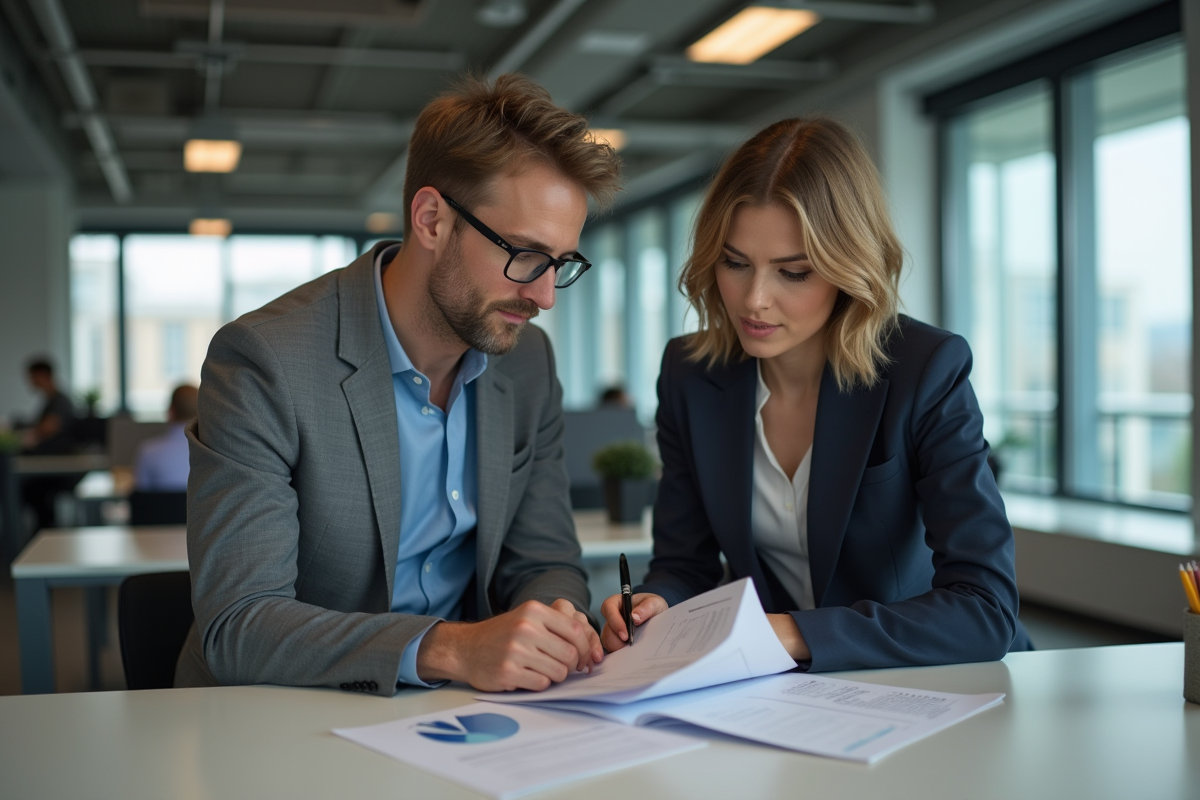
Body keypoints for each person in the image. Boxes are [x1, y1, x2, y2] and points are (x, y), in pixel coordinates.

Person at [176, 74, 623, 694]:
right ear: (433, 219)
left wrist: (555, 626)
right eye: (524, 255)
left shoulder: (527, 364)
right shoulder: (267, 360)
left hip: (465, 716)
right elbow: (239, 623)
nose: (545, 295)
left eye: (561, 264)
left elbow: (545, 562)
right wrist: (452, 647)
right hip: (287, 716)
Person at [600, 117, 1030, 671]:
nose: (754, 300)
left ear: (848, 267)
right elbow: (685, 564)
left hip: (933, 681)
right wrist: (660, 603)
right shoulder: (689, 373)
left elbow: (985, 610)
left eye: (794, 272)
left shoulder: (923, 369)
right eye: (735, 263)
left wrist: (790, 634)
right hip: (779, 691)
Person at [133, 384, 198, 491]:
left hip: (158, 507)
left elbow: (141, 497)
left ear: (170, 412)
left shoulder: (148, 451)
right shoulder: (211, 452)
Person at [21, 358, 76, 455]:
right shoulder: (51, 400)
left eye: (32, 376)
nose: (31, 381)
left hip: (55, 455)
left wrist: (23, 436)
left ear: (43, 375)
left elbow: (48, 428)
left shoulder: (59, 401)